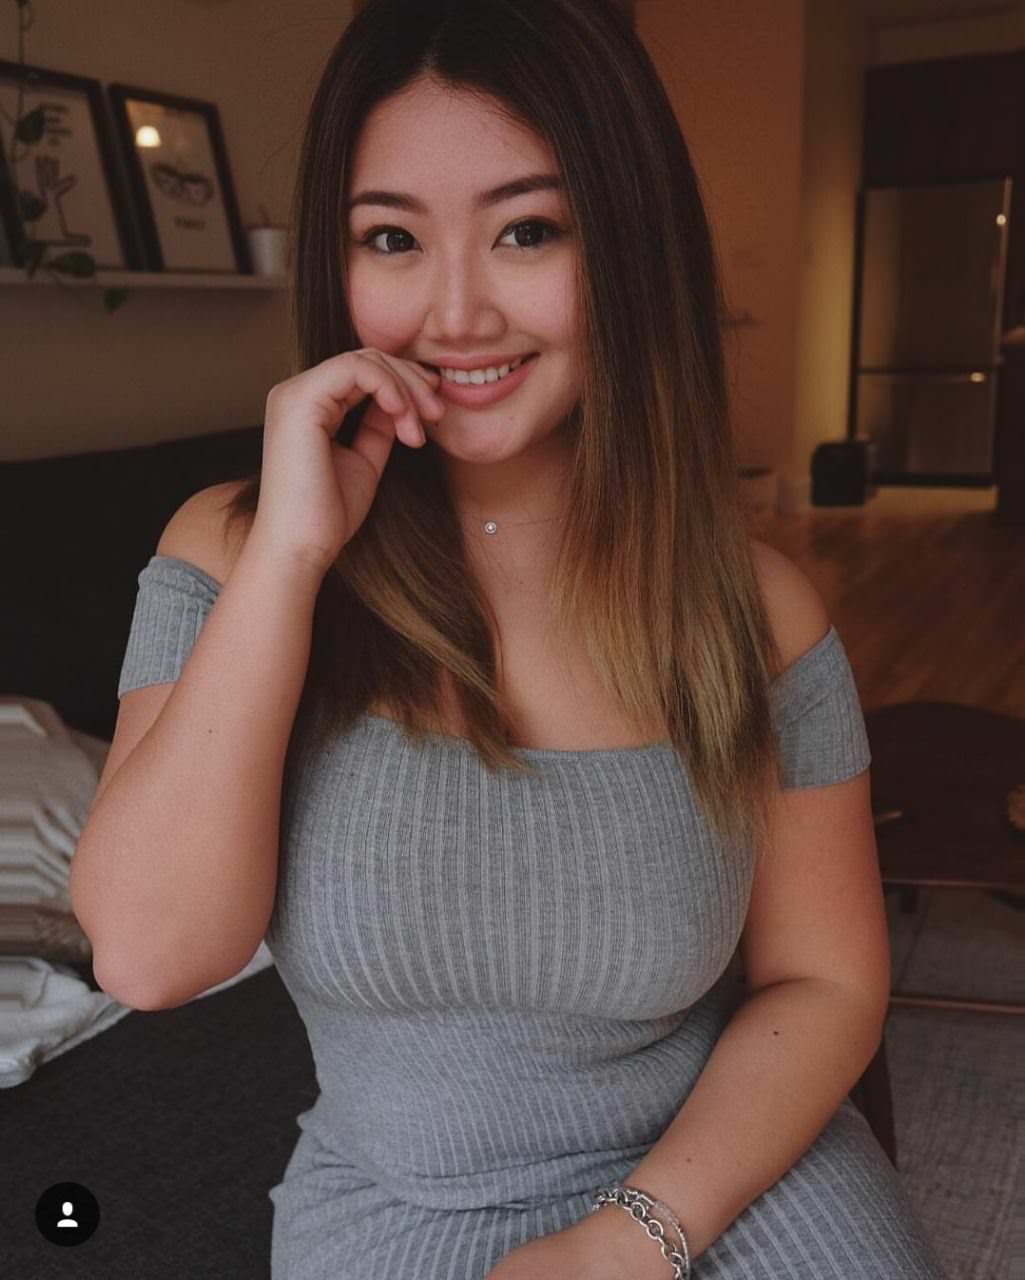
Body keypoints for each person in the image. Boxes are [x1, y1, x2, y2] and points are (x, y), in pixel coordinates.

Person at [72, 0, 947, 1276]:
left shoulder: (754, 612)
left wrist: (629, 1240)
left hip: (724, 1184)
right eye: (391, 238)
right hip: (395, 1209)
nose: (456, 312)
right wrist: (291, 561)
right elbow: (149, 953)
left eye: (526, 230)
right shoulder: (231, 550)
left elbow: (824, 981)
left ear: (627, 242)